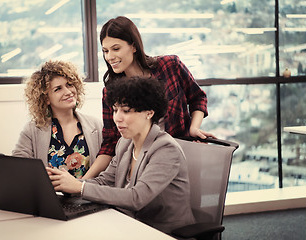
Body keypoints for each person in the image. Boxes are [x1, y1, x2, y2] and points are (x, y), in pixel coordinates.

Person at [47, 76, 195, 234]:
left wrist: (80, 187)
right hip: (128, 225)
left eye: (126, 111)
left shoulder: (166, 149)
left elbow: (137, 197)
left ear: (149, 113)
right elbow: (105, 180)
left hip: (163, 232)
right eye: (115, 110)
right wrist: (67, 183)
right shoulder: (125, 143)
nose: (117, 118)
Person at [82, 15, 215, 179]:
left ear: (133, 46)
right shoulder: (111, 91)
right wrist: (83, 181)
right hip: (141, 168)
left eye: (116, 49)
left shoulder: (170, 66)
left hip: (181, 157)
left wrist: (193, 128)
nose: (109, 57)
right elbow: (110, 143)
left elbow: (197, 98)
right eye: (105, 51)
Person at [12, 60, 102, 179]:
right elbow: (18, 165)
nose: (68, 92)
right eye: (58, 89)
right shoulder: (32, 129)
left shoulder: (96, 125)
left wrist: (80, 186)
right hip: (50, 196)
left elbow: (108, 168)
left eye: (69, 84)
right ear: (46, 99)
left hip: (87, 195)